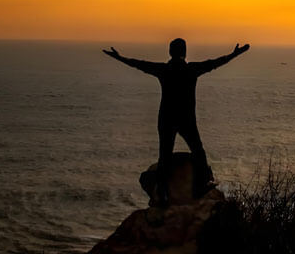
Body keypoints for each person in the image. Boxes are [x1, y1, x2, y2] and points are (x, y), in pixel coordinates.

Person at [103, 39, 249, 205]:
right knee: (198, 151)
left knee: (164, 156)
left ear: (170, 52)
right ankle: (200, 187)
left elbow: (139, 64)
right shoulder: (191, 69)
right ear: (185, 52)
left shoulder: (164, 70)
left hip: (166, 118)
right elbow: (215, 63)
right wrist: (234, 54)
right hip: (186, 118)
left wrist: (119, 57)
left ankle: (163, 193)